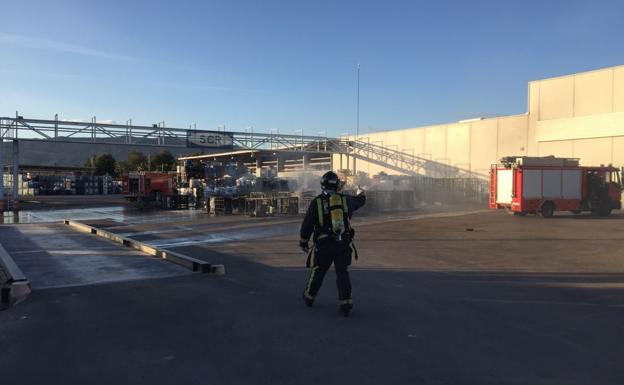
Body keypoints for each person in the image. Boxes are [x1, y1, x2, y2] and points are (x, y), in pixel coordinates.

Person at [299, 171, 366, 316]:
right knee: (342, 273)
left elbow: (307, 224)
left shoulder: (317, 202)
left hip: (324, 245)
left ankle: (309, 297)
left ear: (322, 185)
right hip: (342, 244)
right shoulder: (345, 200)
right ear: (336, 185)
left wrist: (303, 241)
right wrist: (361, 193)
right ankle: (346, 303)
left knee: (318, 271)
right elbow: (360, 201)